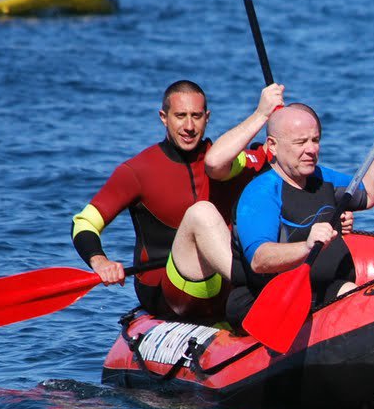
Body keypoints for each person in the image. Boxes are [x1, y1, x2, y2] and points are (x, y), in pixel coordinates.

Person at [72, 81, 284, 324]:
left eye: (196, 116)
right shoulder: (137, 171)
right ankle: (265, 292)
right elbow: (84, 222)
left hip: (223, 284)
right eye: (180, 116)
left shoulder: (224, 161)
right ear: (164, 117)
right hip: (166, 292)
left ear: (207, 117)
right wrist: (100, 261)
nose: (189, 126)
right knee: (202, 213)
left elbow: (262, 159)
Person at [228, 106, 374, 328]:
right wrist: (307, 246)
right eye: (301, 142)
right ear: (272, 145)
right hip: (268, 301)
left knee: (356, 296)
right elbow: (260, 259)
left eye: (315, 140)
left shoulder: (322, 178)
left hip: (324, 291)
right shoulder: (261, 193)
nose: (311, 149)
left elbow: (368, 194)